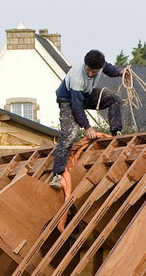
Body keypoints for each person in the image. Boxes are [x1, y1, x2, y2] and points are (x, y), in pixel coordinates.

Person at [51, 50, 132, 188]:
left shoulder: (100, 65)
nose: (90, 74)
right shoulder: (77, 77)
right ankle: (57, 175)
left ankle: (116, 133)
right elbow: (77, 107)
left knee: (114, 98)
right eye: (88, 70)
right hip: (69, 101)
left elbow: (110, 70)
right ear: (85, 64)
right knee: (69, 135)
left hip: (87, 95)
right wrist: (87, 127)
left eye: (94, 72)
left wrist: (121, 72)